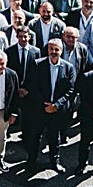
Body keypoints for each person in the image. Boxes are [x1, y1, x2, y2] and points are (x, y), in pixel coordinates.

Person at [22, 38, 76, 173]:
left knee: (54, 136)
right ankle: (31, 161)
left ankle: (54, 161)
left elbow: (70, 90)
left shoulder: (68, 67)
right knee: (35, 136)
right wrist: (44, 104)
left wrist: (56, 105)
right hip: (40, 108)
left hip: (57, 110)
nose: (53, 52)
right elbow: (32, 86)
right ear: (47, 50)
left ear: (61, 51)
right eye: (51, 49)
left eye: (56, 49)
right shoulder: (37, 64)